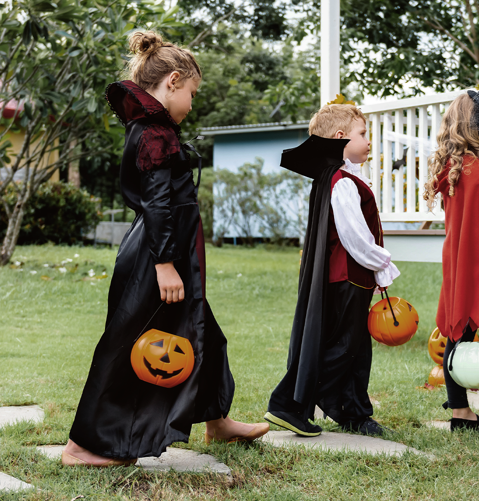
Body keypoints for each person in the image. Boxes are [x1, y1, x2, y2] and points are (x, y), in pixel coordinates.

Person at [62, 31, 269, 466]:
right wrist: (166, 266)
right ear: (173, 81)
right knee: (128, 346)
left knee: (205, 336)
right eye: (191, 93)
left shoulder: (155, 128)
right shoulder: (156, 133)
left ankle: (217, 420)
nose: (192, 105)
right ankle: (84, 446)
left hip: (168, 253)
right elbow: (158, 205)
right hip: (157, 257)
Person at [264, 103, 400, 437]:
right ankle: (288, 403)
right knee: (344, 347)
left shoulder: (342, 177)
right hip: (347, 277)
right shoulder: (341, 182)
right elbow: (355, 237)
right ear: (341, 138)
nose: (369, 141)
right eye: (363, 134)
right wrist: (382, 263)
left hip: (349, 278)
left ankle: (352, 411)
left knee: (354, 346)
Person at [424, 91, 479, 431]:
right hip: (474, 255)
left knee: (459, 333)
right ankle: (461, 411)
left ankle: (460, 410)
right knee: (463, 332)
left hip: (458, 259)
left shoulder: (453, 168)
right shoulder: (474, 168)